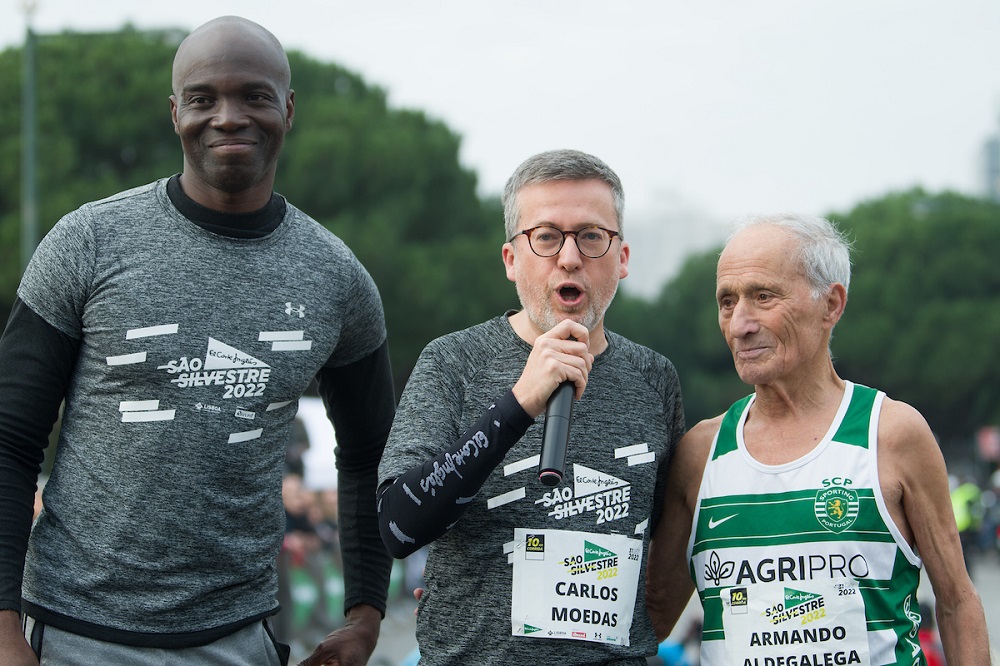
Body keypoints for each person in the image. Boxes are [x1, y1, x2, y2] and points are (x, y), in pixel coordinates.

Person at [0, 16, 395, 666]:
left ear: (288, 109)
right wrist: (3, 629)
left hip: (241, 641)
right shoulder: (87, 244)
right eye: (205, 98)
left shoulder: (338, 278)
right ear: (175, 110)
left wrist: (366, 616)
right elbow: (10, 444)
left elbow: (368, 456)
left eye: (255, 96)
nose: (229, 116)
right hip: (77, 638)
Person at [376, 149, 685, 665]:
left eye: (591, 236)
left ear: (623, 258)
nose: (569, 258)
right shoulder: (453, 362)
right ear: (511, 259)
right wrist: (519, 403)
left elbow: (665, 539)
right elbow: (398, 526)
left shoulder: (655, 378)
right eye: (545, 237)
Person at [645, 213, 991, 664]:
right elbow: (648, 620)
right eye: (727, 301)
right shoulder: (699, 452)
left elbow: (957, 601)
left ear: (831, 305)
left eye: (763, 296)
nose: (739, 324)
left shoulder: (892, 434)